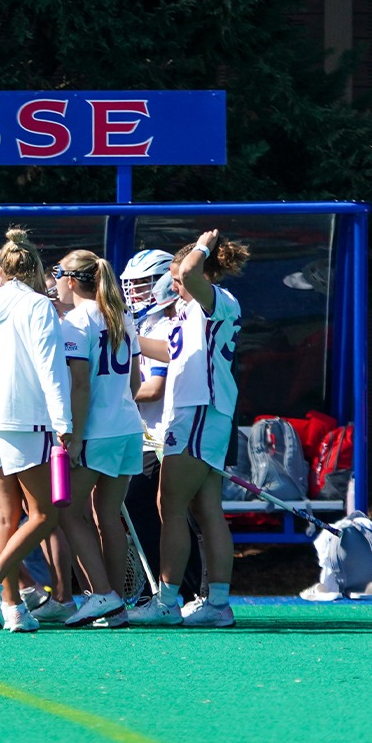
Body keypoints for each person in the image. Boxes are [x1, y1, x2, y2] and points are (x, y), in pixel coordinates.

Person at [130, 230, 250, 628]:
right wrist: (129, 336)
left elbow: (193, 271)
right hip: (199, 412)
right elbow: (171, 351)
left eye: (176, 276)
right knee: (205, 508)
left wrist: (201, 246)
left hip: (200, 410)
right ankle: (216, 601)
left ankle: (166, 599)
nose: (173, 282)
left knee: (171, 504)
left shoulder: (215, 298)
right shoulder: (188, 311)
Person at [0, 228, 73, 634]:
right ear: (34, 268)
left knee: (7, 514)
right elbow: (50, 369)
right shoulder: (37, 306)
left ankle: (12, 608)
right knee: (43, 514)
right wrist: (64, 423)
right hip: (25, 419)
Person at [51, 249, 145, 628]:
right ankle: (116, 601)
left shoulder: (76, 321)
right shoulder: (121, 315)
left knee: (68, 512)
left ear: (71, 280)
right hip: (127, 426)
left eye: (58, 273)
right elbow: (135, 382)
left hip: (97, 431)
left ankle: (102, 594)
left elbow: (78, 385)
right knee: (107, 515)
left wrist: (73, 436)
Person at [120, 249, 205, 595]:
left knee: (165, 516)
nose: (133, 294)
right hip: (145, 438)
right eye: (130, 286)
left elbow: (153, 388)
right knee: (143, 516)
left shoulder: (169, 325)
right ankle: (155, 590)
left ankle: (182, 591)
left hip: (161, 438)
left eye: (141, 286)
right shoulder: (145, 324)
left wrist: (110, 396)